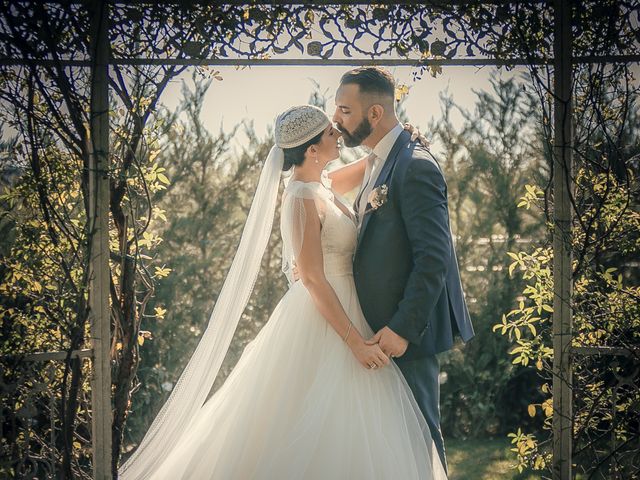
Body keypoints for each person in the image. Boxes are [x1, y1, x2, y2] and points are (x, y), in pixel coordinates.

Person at [118, 104, 447, 479]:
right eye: (329, 133)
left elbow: (374, 165)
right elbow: (311, 278)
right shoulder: (301, 197)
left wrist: (403, 136)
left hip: (349, 303)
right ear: (311, 150)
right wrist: (354, 341)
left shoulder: (320, 185)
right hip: (327, 315)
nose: (338, 135)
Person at [329, 66, 476, 473]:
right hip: (374, 333)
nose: (336, 120)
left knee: (420, 443)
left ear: (375, 114)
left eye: (344, 110)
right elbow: (318, 182)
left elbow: (434, 258)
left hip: (402, 336)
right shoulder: (380, 159)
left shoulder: (415, 166)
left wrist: (402, 330)